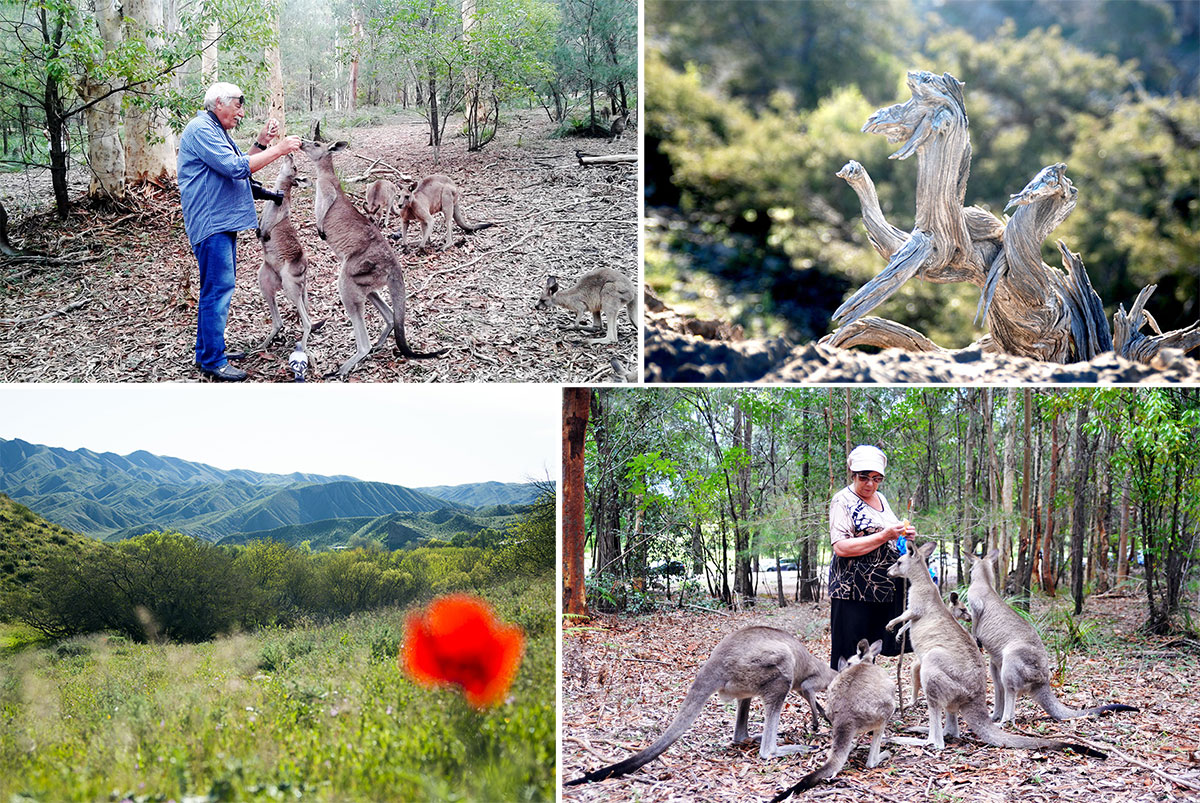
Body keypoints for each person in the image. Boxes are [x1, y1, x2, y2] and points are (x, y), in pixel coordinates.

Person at [177, 82, 302, 381]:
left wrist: (261, 143)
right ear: (219, 103)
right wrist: (279, 149)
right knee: (217, 290)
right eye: (238, 105)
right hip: (211, 222)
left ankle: (209, 351)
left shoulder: (215, 130)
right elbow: (235, 168)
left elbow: (238, 164)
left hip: (222, 220)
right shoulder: (200, 129)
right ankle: (212, 360)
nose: (241, 112)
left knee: (217, 289)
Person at [827, 444, 916, 669]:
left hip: (880, 590)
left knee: (870, 654)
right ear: (853, 475)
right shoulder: (843, 500)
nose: (870, 484)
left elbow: (890, 534)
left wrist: (903, 534)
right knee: (849, 653)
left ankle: (866, 699)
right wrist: (884, 535)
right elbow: (841, 547)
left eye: (877, 479)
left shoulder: (881, 499)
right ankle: (842, 700)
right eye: (864, 477)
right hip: (852, 591)